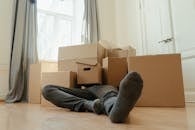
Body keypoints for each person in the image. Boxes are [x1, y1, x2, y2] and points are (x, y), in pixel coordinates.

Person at [42, 71, 143, 123]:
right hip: (84, 91)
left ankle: (117, 111)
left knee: (109, 94)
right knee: (47, 89)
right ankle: (89, 105)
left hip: (103, 87)